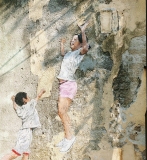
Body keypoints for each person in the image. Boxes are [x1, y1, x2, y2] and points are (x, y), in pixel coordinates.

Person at [56, 22, 90, 152]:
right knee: (61, 111)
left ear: (80, 44)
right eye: (72, 39)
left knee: (62, 111)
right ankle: (67, 137)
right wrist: (62, 45)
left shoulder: (79, 53)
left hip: (68, 85)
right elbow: (63, 55)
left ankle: (69, 138)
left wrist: (82, 31)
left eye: (75, 40)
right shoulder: (70, 54)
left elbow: (86, 47)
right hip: (64, 85)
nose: (72, 41)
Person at [1, 89, 46, 160]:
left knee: (26, 154)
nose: (29, 98)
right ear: (25, 99)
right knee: (15, 154)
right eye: (28, 97)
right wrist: (42, 92)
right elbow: (38, 97)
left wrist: (13, 101)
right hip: (26, 133)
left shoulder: (20, 110)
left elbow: (15, 107)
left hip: (25, 132)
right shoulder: (30, 104)